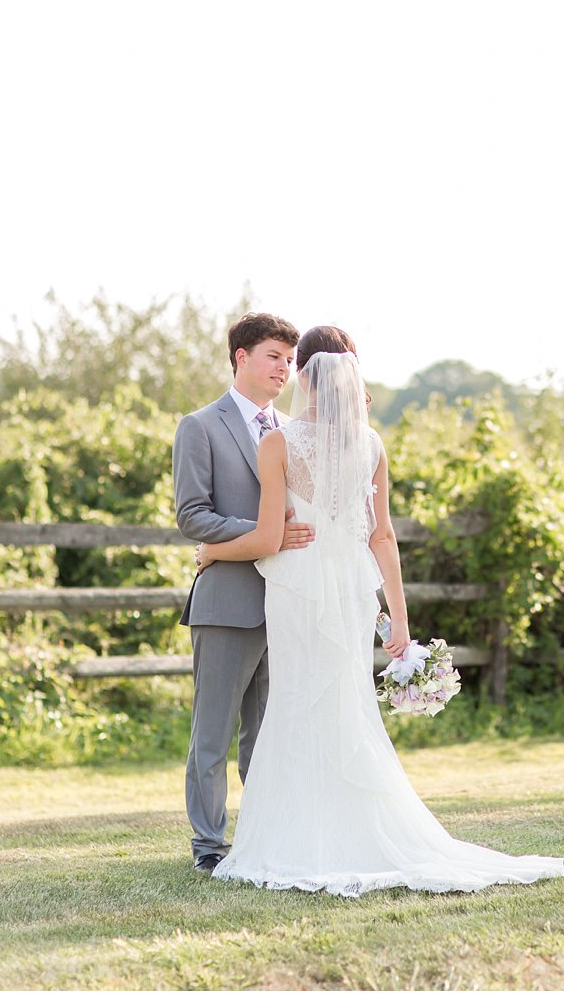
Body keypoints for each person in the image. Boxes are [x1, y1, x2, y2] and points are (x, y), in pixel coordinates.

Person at [193, 325, 564, 897]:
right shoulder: (369, 444)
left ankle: (291, 840)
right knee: (345, 705)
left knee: (294, 706)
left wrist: (212, 549)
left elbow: (270, 536)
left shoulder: (281, 444)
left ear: (306, 376)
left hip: (297, 591)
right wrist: (399, 617)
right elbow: (383, 536)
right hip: (351, 594)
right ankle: (355, 830)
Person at [172, 312, 316, 874]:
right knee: (213, 734)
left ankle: (262, 839)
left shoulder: (293, 436)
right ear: (241, 358)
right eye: (274, 357)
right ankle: (209, 847)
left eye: (289, 359)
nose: (284, 369)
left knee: (267, 735)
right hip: (227, 602)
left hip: (284, 603)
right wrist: (264, 537)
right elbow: (192, 516)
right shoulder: (200, 426)